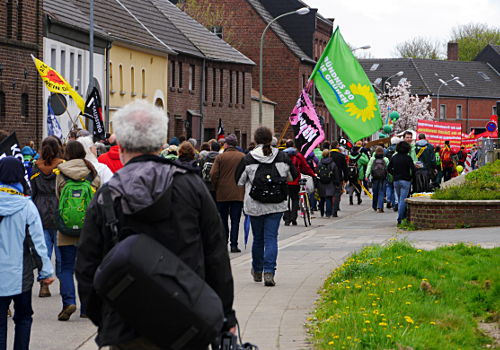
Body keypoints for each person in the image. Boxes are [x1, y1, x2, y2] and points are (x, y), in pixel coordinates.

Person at [75, 100, 236, 349]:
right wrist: (225, 317)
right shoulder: (191, 187)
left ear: (119, 148)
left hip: (128, 327)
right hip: (189, 320)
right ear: (162, 145)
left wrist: (106, 319)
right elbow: (216, 256)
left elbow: (87, 266)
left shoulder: (108, 195)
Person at [0, 157, 55, 350]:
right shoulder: (26, 207)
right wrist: (46, 272)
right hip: (20, 275)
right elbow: (38, 243)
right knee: (23, 318)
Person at [236, 127, 297, 287]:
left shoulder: (248, 158)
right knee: (271, 238)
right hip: (276, 205)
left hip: (255, 205)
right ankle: (269, 272)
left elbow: (239, 181)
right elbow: (292, 176)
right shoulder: (283, 157)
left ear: (255, 140)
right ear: (271, 139)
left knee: (258, 239)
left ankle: (257, 270)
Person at [56, 141, 101, 321]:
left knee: (66, 268)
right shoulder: (93, 172)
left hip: (66, 229)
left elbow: (58, 198)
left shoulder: (61, 173)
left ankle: (68, 302)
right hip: (88, 230)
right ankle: (86, 308)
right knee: (87, 269)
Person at [30, 136, 64, 298]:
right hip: (58, 209)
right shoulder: (63, 166)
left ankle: (44, 283)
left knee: (43, 250)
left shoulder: (36, 167)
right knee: (61, 251)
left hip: (40, 209)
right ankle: (64, 283)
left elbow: (32, 191)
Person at [210, 134, 245, 253]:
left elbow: (213, 174)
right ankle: (234, 245)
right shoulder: (242, 156)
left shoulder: (220, 157)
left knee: (223, 219)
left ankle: (224, 242)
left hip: (222, 192)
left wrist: (216, 187)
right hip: (238, 193)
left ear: (226, 144)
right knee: (236, 220)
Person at [283, 140, 316, 226]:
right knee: (295, 199)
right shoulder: (298, 156)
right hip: (295, 181)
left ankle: (286, 219)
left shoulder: (282, 156)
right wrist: (312, 174)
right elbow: (305, 167)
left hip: (285, 181)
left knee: (285, 200)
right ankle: (293, 217)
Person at [388, 141, 416, 225]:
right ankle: (400, 218)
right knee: (403, 200)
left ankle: (402, 216)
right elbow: (413, 170)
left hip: (396, 180)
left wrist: (394, 174)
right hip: (406, 180)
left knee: (400, 198)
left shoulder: (394, 157)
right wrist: (411, 178)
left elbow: (389, 168)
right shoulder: (408, 158)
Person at [316, 150, 341, 217]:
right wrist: (337, 182)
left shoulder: (319, 163)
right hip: (330, 182)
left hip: (321, 182)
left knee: (322, 198)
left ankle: (321, 212)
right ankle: (328, 213)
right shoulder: (332, 163)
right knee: (329, 198)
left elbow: (317, 172)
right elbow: (336, 173)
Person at [366, 146, 389, 213]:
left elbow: (369, 167)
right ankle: (380, 207)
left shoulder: (372, 159)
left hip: (375, 178)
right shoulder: (385, 159)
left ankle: (374, 206)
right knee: (381, 192)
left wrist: (367, 175)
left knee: (375, 192)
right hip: (383, 178)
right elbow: (388, 169)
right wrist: (390, 178)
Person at [329, 141, 348, 215]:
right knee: (337, 193)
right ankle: (335, 209)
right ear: (337, 146)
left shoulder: (328, 155)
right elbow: (345, 168)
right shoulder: (341, 156)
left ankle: (329, 208)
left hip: (328, 177)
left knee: (329, 193)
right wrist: (346, 178)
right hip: (338, 177)